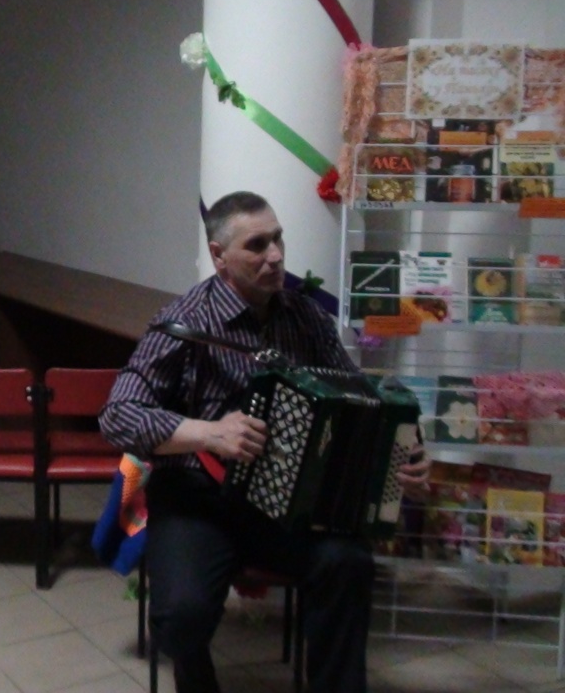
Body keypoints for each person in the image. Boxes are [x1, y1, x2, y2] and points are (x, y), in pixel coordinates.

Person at [98, 191, 430, 693]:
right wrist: (210, 432)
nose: (275, 255)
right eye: (256, 245)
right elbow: (117, 415)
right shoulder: (184, 324)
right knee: (181, 616)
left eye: (277, 239)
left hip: (287, 505)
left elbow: (361, 401)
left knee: (347, 562)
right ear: (219, 255)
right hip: (199, 500)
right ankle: (196, 679)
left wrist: (401, 458)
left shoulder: (305, 318)